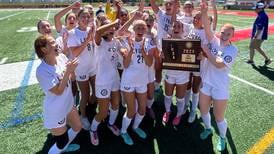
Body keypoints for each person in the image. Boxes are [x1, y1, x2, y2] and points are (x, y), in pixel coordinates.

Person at [199, 1, 238, 151]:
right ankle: (208, 129)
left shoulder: (232, 50)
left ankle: (222, 137)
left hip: (220, 87)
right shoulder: (214, 41)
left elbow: (219, 64)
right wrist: (204, 12)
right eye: (222, 32)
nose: (224, 35)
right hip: (206, 83)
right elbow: (207, 27)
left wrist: (206, 51)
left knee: (219, 117)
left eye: (228, 33)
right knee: (203, 111)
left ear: (232, 35)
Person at [34, 35, 82, 154]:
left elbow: (70, 76)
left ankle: (64, 147)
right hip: (55, 110)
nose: (57, 44)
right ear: (44, 49)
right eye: (52, 43)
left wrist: (72, 69)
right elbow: (58, 91)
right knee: (61, 142)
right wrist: (69, 71)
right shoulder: (42, 70)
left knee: (77, 127)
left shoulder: (61, 57)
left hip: (68, 103)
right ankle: (61, 148)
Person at [119, 19, 153, 146]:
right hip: (128, 80)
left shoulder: (149, 42)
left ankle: (135, 127)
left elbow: (149, 63)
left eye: (142, 28)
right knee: (131, 110)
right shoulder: (127, 42)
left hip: (142, 81)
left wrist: (143, 50)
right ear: (133, 29)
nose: (140, 30)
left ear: (146, 29)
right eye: (137, 28)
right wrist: (132, 50)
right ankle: (123, 131)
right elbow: (126, 65)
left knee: (142, 110)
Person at [89, 19, 121, 146]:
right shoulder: (99, 42)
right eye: (108, 26)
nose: (112, 29)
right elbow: (97, 31)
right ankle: (93, 129)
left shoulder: (116, 41)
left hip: (115, 79)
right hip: (102, 81)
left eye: (113, 27)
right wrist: (114, 23)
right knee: (102, 111)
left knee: (115, 105)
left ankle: (111, 123)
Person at [67, 9, 97, 131]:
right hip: (81, 68)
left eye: (87, 16)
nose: (85, 19)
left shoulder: (91, 30)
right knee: (84, 94)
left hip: (93, 66)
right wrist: (87, 41)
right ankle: (83, 115)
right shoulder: (73, 33)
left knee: (96, 91)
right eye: (82, 17)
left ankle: (89, 108)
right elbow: (74, 53)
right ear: (78, 19)